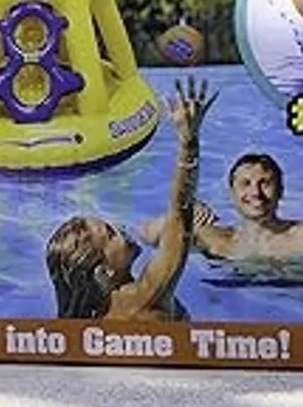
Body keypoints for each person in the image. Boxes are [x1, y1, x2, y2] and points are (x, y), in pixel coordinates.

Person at [46, 77, 218, 321]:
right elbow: (180, 214)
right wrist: (188, 142)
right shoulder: (146, 296)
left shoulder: (85, 320)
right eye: (110, 234)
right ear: (104, 271)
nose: (120, 229)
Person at [188, 152, 303, 264]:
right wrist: (184, 215)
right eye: (246, 183)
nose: (255, 192)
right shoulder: (212, 238)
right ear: (231, 193)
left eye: (265, 183)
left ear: (280, 191)